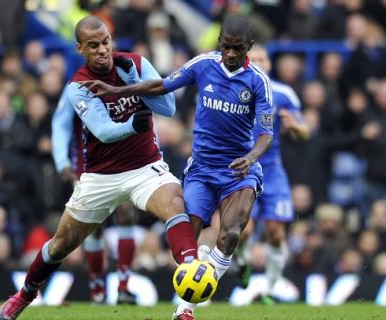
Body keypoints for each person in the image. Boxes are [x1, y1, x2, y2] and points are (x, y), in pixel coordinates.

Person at [0, 16, 199, 320]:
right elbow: (104, 131)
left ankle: (189, 288)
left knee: (174, 203)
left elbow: (167, 108)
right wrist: (133, 122)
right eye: (94, 45)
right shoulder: (78, 86)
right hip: (101, 176)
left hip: (145, 167)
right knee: (61, 244)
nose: (103, 50)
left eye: (105, 41)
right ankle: (24, 295)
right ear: (80, 48)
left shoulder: (135, 64)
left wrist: (133, 84)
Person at [80, 15, 274, 320]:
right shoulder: (202, 65)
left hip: (239, 170)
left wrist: (251, 158)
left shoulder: (258, 82)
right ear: (219, 44)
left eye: (238, 49)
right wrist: (118, 91)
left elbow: (266, 133)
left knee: (231, 232)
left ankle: (186, 307)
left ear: (248, 47)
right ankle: (202, 272)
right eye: (226, 47)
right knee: (186, 238)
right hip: (202, 170)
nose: (231, 54)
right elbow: (163, 84)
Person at [51, 83, 138, 304]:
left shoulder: (128, 80)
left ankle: (123, 287)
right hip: (87, 165)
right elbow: (60, 123)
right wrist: (62, 162)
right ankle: (98, 289)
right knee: (93, 227)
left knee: (127, 214)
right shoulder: (78, 85)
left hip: (125, 162)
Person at [236, 44, 310, 303]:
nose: (259, 63)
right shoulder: (233, 92)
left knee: (277, 232)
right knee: (243, 231)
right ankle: (243, 260)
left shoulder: (283, 93)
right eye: (253, 59)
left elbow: (304, 132)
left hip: (272, 169)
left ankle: (271, 286)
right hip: (244, 168)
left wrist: (295, 127)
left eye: (263, 59)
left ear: (269, 63)